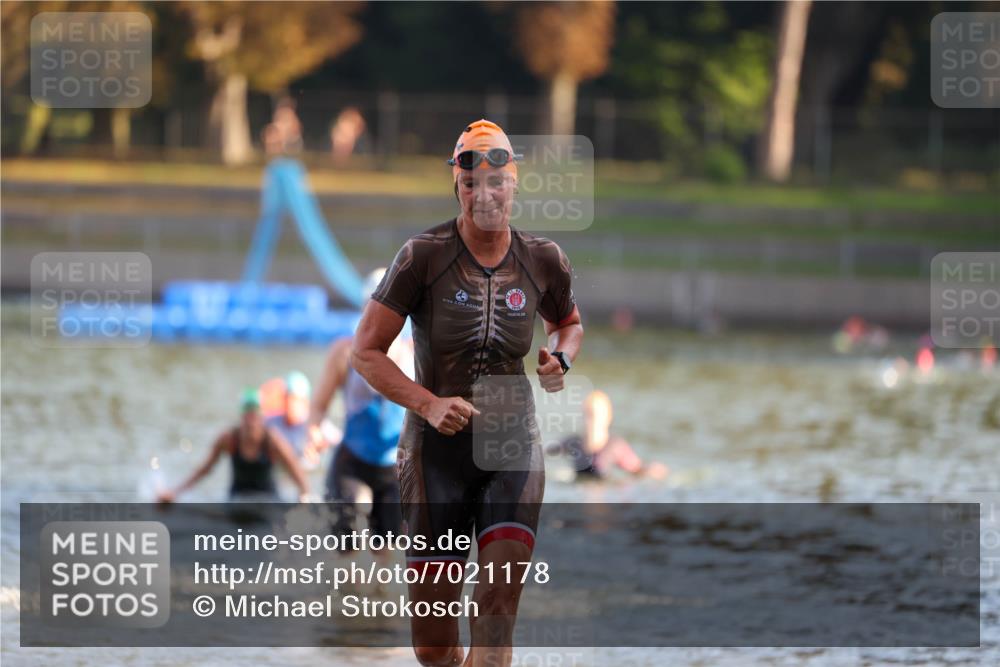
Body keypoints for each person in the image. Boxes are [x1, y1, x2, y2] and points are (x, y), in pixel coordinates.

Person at [352, 119, 584, 667]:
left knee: (496, 606)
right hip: (435, 455)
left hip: (512, 447)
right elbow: (366, 352)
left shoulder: (542, 258)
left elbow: (568, 323)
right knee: (433, 643)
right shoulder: (422, 257)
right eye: (471, 181)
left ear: (514, 184)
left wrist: (561, 359)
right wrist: (428, 404)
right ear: (456, 186)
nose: (485, 193)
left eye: (497, 181)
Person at [310, 268, 413, 549]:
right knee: (351, 537)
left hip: (394, 467)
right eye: (374, 307)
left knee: (385, 565)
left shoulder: (413, 352)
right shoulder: (344, 351)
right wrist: (316, 432)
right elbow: (318, 407)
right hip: (352, 462)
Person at [158, 388, 310, 503]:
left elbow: (295, 471)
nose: (251, 420)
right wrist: (175, 493)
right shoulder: (229, 439)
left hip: (268, 502)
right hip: (237, 501)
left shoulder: (272, 440)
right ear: (241, 415)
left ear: (262, 416)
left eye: (255, 413)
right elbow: (204, 470)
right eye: (248, 412)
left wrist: (304, 495)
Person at [547, 390, 668, 481]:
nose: (590, 421)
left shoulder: (615, 446)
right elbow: (545, 453)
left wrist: (651, 470)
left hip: (605, 490)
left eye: (595, 416)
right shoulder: (574, 442)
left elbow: (636, 468)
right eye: (587, 415)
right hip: (579, 490)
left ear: (608, 417)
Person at [263, 371, 328, 469]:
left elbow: (339, 444)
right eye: (288, 399)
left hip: (305, 468)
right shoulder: (270, 423)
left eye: (295, 400)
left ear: (305, 402)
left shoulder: (317, 425)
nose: (291, 405)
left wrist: (321, 446)